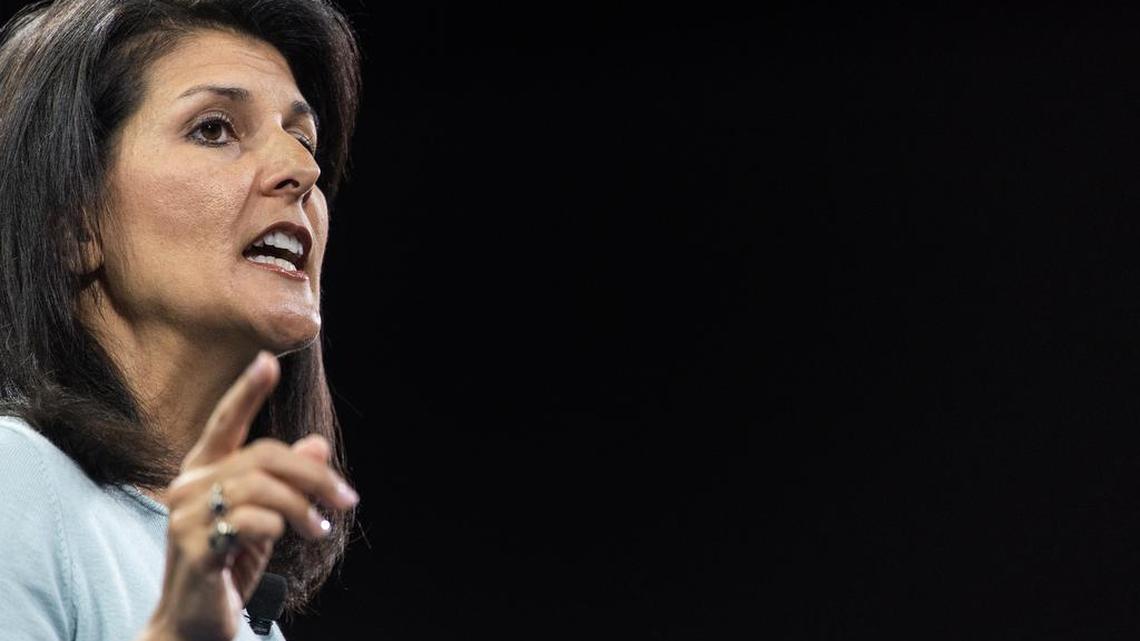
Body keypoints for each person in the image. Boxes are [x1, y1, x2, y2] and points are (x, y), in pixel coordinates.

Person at [0, 0, 363, 639]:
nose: (304, 170)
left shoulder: (240, 608)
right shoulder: (16, 483)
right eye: (215, 129)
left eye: (303, 139)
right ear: (72, 222)